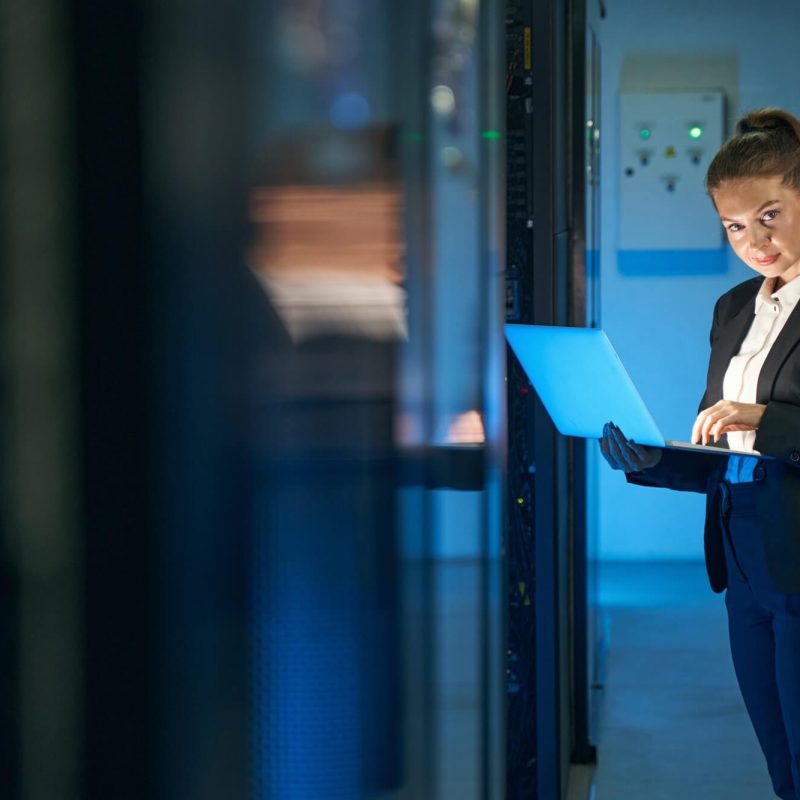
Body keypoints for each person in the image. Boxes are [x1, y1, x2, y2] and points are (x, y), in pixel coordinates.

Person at [600, 107, 800, 800]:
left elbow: (758, 426)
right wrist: (652, 461)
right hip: (743, 548)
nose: (755, 241)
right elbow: (720, 439)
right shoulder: (733, 308)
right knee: (780, 758)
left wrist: (763, 419)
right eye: (736, 226)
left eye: (771, 215)